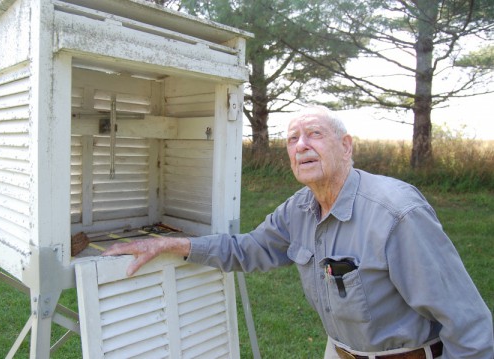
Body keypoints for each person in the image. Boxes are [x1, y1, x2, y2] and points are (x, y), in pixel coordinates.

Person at [103, 105, 494, 358]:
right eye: (292, 139)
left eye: (314, 134)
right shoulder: (299, 208)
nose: (301, 145)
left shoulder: (396, 213)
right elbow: (249, 248)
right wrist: (175, 243)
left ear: (346, 146)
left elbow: (467, 321)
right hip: (340, 351)